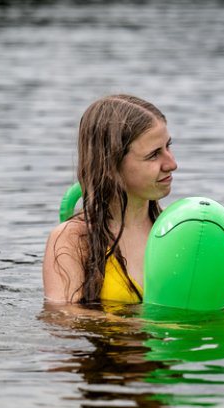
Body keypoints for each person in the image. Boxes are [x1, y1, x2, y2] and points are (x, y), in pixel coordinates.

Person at [43, 94, 177, 305]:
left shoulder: (177, 231)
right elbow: (63, 319)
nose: (171, 164)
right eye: (154, 154)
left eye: (168, 146)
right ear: (112, 165)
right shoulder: (73, 240)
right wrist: (143, 323)